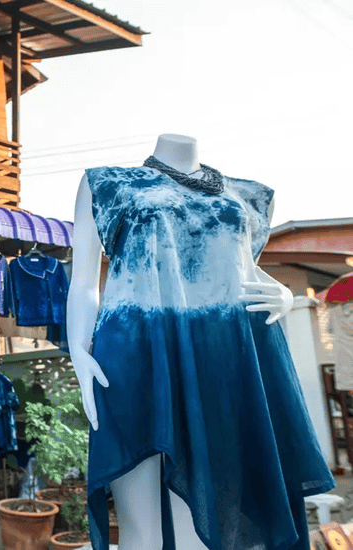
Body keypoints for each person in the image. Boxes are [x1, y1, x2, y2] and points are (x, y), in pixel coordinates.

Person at [67, 134, 334, 549]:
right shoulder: (108, 183)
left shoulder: (247, 194)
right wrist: (79, 353)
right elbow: (83, 283)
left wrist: (281, 292)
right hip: (138, 351)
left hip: (224, 354)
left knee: (210, 511)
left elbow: (238, 266)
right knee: (143, 526)